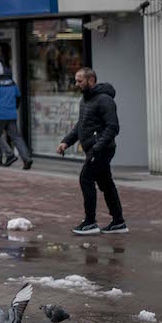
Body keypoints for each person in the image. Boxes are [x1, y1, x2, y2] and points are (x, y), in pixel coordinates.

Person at [59, 68, 125, 235]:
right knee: (106, 184)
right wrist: (66, 142)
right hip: (94, 149)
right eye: (76, 80)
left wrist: (97, 146)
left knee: (86, 178)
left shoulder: (104, 100)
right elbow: (80, 127)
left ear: (91, 80)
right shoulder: (85, 100)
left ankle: (90, 222)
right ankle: (118, 222)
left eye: (80, 81)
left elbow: (113, 127)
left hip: (101, 150)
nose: (76, 84)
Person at [0, 59, 32, 169]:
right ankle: (26, 158)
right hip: (11, 114)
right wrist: (13, 108)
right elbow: (18, 96)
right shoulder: (11, 81)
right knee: (16, 137)